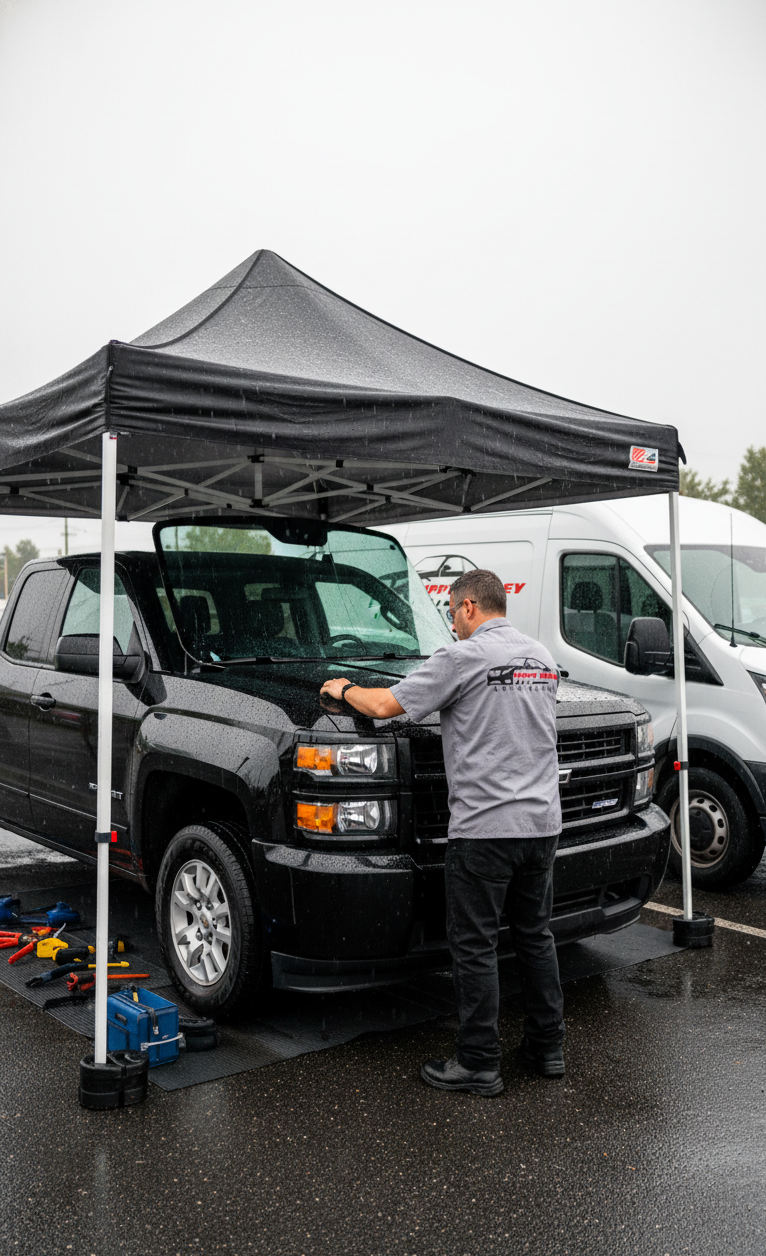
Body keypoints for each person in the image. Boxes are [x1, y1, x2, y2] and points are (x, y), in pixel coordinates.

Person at [319, 568, 564, 1097]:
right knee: (534, 936)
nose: (452, 624)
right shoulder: (542, 659)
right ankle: (548, 1049)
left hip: (486, 828)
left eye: (453, 612)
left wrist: (344, 688)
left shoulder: (462, 657)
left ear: (470, 606)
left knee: (474, 946)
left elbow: (384, 706)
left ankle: (478, 1062)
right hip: (542, 824)